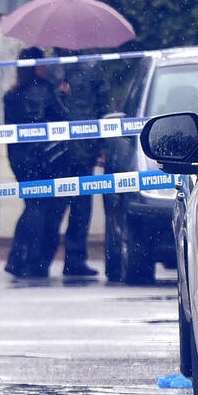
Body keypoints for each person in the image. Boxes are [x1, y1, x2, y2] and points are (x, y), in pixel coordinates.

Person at [3, 48, 71, 278]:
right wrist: (62, 96)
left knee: (32, 205)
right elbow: (63, 120)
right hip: (45, 159)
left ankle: (18, 258)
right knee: (42, 208)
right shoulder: (48, 90)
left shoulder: (11, 96)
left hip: (20, 158)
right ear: (37, 65)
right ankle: (34, 261)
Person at [54, 49, 111, 277]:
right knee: (76, 208)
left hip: (66, 151)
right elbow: (104, 108)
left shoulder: (54, 67)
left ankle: (56, 259)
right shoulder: (88, 69)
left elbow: (103, 108)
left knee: (64, 207)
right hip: (77, 149)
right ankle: (72, 259)